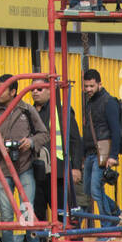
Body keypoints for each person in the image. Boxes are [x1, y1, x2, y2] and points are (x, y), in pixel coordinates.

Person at [0, 74, 48, 242]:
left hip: (25, 168)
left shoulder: (25, 110)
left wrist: (30, 142)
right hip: (2, 171)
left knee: (28, 212)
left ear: (13, 92)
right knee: (6, 217)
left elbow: (44, 134)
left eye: (3, 89)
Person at [30, 76, 83, 226]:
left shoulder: (60, 109)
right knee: (37, 216)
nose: (35, 92)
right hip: (36, 172)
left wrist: (76, 167)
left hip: (58, 171)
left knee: (64, 214)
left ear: (49, 91)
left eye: (39, 89)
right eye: (32, 89)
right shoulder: (29, 111)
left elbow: (75, 139)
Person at [81, 69, 121, 226]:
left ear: (100, 84)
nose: (88, 89)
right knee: (89, 191)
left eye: (91, 86)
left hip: (102, 154)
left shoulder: (108, 101)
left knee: (96, 191)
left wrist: (113, 155)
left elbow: (116, 130)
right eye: (86, 86)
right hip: (91, 154)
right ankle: (117, 215)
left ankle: (107, 226)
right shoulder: (90, 102)